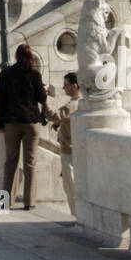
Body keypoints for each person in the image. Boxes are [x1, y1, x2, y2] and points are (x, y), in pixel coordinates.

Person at [0, 43, 48, 210]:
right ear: (31, 57)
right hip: (30, 121)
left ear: (16, 56)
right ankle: (29, 202)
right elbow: (41, 97)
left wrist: (0, 123)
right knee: (30, 163)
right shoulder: (35, 74)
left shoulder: (6, 74)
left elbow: (0, 101)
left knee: (11, 162)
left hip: (11, 121)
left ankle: (6, 202)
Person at [50, 72, 80, 214]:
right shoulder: (81, 102)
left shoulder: (72, 105)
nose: (63, 88)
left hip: (69, 150)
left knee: (70, 185)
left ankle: (77, 215)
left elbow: (54, 114)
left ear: (75, 86)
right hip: (74, 149)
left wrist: (44, 98)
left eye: (66, 85)